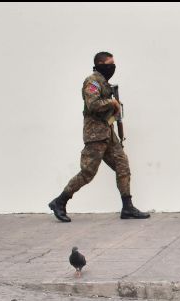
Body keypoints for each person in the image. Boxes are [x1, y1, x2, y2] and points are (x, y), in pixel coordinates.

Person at [48, 52, 149, 222]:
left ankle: (127, 207)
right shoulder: (92, 82)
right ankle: (60, 201)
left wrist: (115, 108)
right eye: (110, 64)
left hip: (108, 133)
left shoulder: (105, 83)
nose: (113, 67)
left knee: (122, 166)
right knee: (88, 172)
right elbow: (93, 104)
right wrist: (112, 103)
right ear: (100, 64)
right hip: (95, 135)